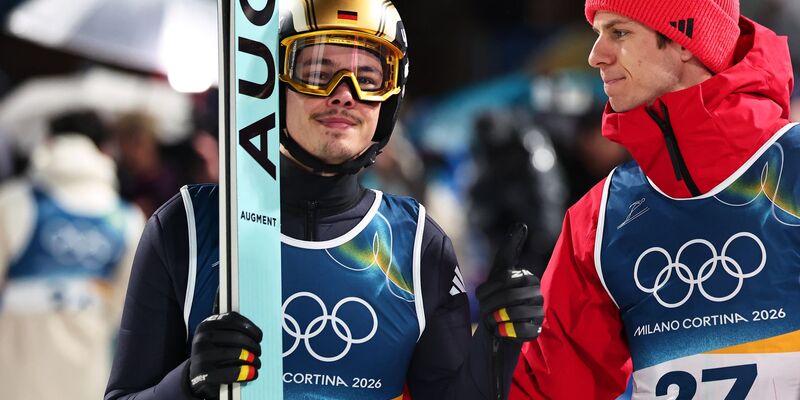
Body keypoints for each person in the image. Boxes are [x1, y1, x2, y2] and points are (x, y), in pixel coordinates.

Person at [104, 1, 542, 399]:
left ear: (389, 99)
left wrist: (498, 341)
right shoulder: (189, 226)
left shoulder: (417, 245)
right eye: (316, 72)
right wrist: (185, 385)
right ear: (273, 84)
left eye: (368, 77)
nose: (344, 92)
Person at [510, 0, 800, 398]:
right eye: (598, 34)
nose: (595, 56)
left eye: (619, 32)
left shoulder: (794, 173)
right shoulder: (598, 220)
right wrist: (495, 346)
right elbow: (547, 389)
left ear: (685, 41)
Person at [0, 110, 145, 400]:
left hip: (14, 378)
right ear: (104, 150)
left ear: (48, 143)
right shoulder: (127, 219)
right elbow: (126, 311)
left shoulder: (13, 202)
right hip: (88, 380)